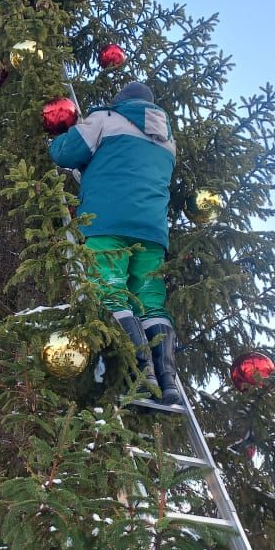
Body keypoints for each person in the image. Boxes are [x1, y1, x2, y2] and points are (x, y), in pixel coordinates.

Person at [48, 81, 181, 405]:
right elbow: (126, 166)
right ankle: (168, 383)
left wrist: (61, 132)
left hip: (108, 223)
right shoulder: (168, 141)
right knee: (150, 301)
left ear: (120, 101)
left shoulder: (105, 119)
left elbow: (64, 152)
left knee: (108, 289)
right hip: (151, 233)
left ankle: (139, 373)